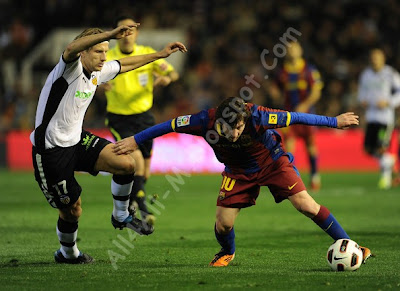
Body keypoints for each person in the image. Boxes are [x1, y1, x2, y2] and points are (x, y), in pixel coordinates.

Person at [113, 96, 372, 267]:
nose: (235, 133)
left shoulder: (259, 116)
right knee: (223, 224)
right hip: (237, 171)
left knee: (305, 204)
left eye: (239, 127)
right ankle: (227, 251)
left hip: (273, 162)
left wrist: (333, 121)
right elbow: (168, 125)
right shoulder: (204, 121)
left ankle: (353, 245)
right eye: (230, 129)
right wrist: (135, 140)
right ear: (219, 123)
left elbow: (297, 117)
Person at [30, 24, 187, 264]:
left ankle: (121, 216)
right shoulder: (67, 69)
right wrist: (112, 34)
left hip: (76, 140)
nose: (104, 57)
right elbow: (71, 46)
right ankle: (68, 254)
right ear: (84, 53)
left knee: (126, 163)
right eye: (98, 52)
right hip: (51, 151)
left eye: (106, 51)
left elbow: (125, 64)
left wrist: (160, 54)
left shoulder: (97, 72)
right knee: (72, 210)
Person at [102, 15, 180, 225]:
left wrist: (166, 78)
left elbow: (173, 73)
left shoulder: (147, 54)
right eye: (123, 31)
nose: (127, 36)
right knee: (134, 157)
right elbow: (89, 78)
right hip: (119, 117)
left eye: (131, 31)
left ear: (137, 34)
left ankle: (132, 201)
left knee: (144, 169)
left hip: (144, 116)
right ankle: (144, 209)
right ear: (116, 34)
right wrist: (99, 85)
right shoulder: (107, 58)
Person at [269, 41, 323, 191]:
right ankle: (292, 179)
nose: (291, 51)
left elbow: (316, 92)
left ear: (300, 50)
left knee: (311, 145)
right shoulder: (282, 72)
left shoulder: (309, 70)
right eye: (289, 48)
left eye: (294, 48)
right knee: (289, 147)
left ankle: (314, 175)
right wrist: (274, 93)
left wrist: (305, 105)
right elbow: (275, 88)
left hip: (307, 116)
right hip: (289, 117)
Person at [358, 48, 400, 189]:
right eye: (372, 57)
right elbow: (362, 92)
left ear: (383, 59)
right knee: (368, 149)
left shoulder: (390, 74)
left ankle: (385, 179)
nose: (374, 60)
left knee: (382, 148)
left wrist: (389, 102)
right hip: (371, 116)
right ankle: (389, 162)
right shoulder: (366, 75)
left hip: (385, 118)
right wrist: (363, 100)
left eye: (377, 57)